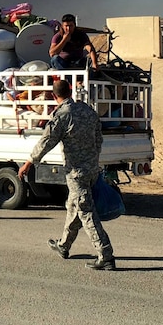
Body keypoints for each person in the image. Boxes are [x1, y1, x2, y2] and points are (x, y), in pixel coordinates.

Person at [18, 79, 115, 270]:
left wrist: (29, 163)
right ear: (70, 91)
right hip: (91, 169)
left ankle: (106, 255)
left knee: (85, 212)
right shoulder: (87, 110)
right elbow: (99, 138)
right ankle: (64, 245)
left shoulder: (61, 115)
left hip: (76, 173)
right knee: (73, 207)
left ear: (54, 97)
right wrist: (92, 159)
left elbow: (46, 142)